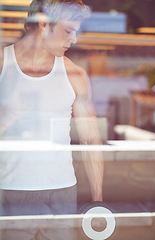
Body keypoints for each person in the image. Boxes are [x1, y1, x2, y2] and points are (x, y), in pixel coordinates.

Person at [0, 0, 104, 239]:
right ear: (44, 23)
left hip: (62, 193)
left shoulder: (75, 74)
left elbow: (92, 141)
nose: (74, 39)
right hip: (9, 192)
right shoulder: (3, 65)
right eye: (69, 30)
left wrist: (98, 201)